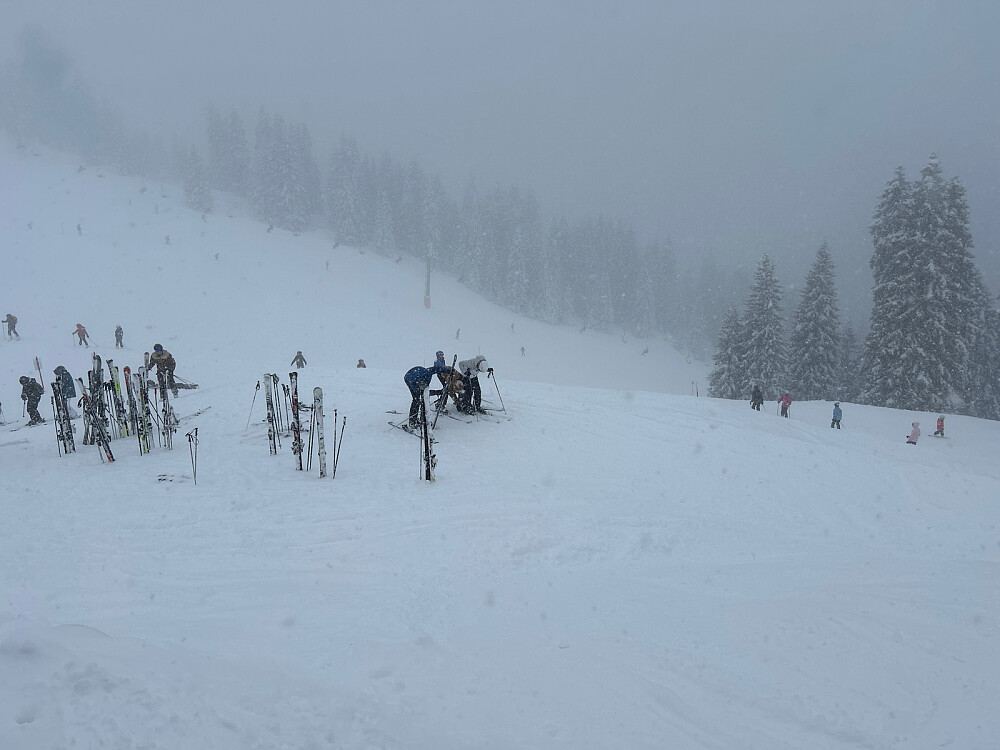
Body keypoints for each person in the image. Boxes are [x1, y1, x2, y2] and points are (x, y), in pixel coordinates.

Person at [403, 358, 446, 429]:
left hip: (417, 372)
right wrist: (438, 392)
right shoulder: (415, 386)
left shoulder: (428, 373)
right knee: (416, 400)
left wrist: (448, 370)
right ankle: (412, 422)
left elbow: (436, 369)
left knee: (423, 400)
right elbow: (424, 393)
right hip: (408, 378)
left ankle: (423, 419)